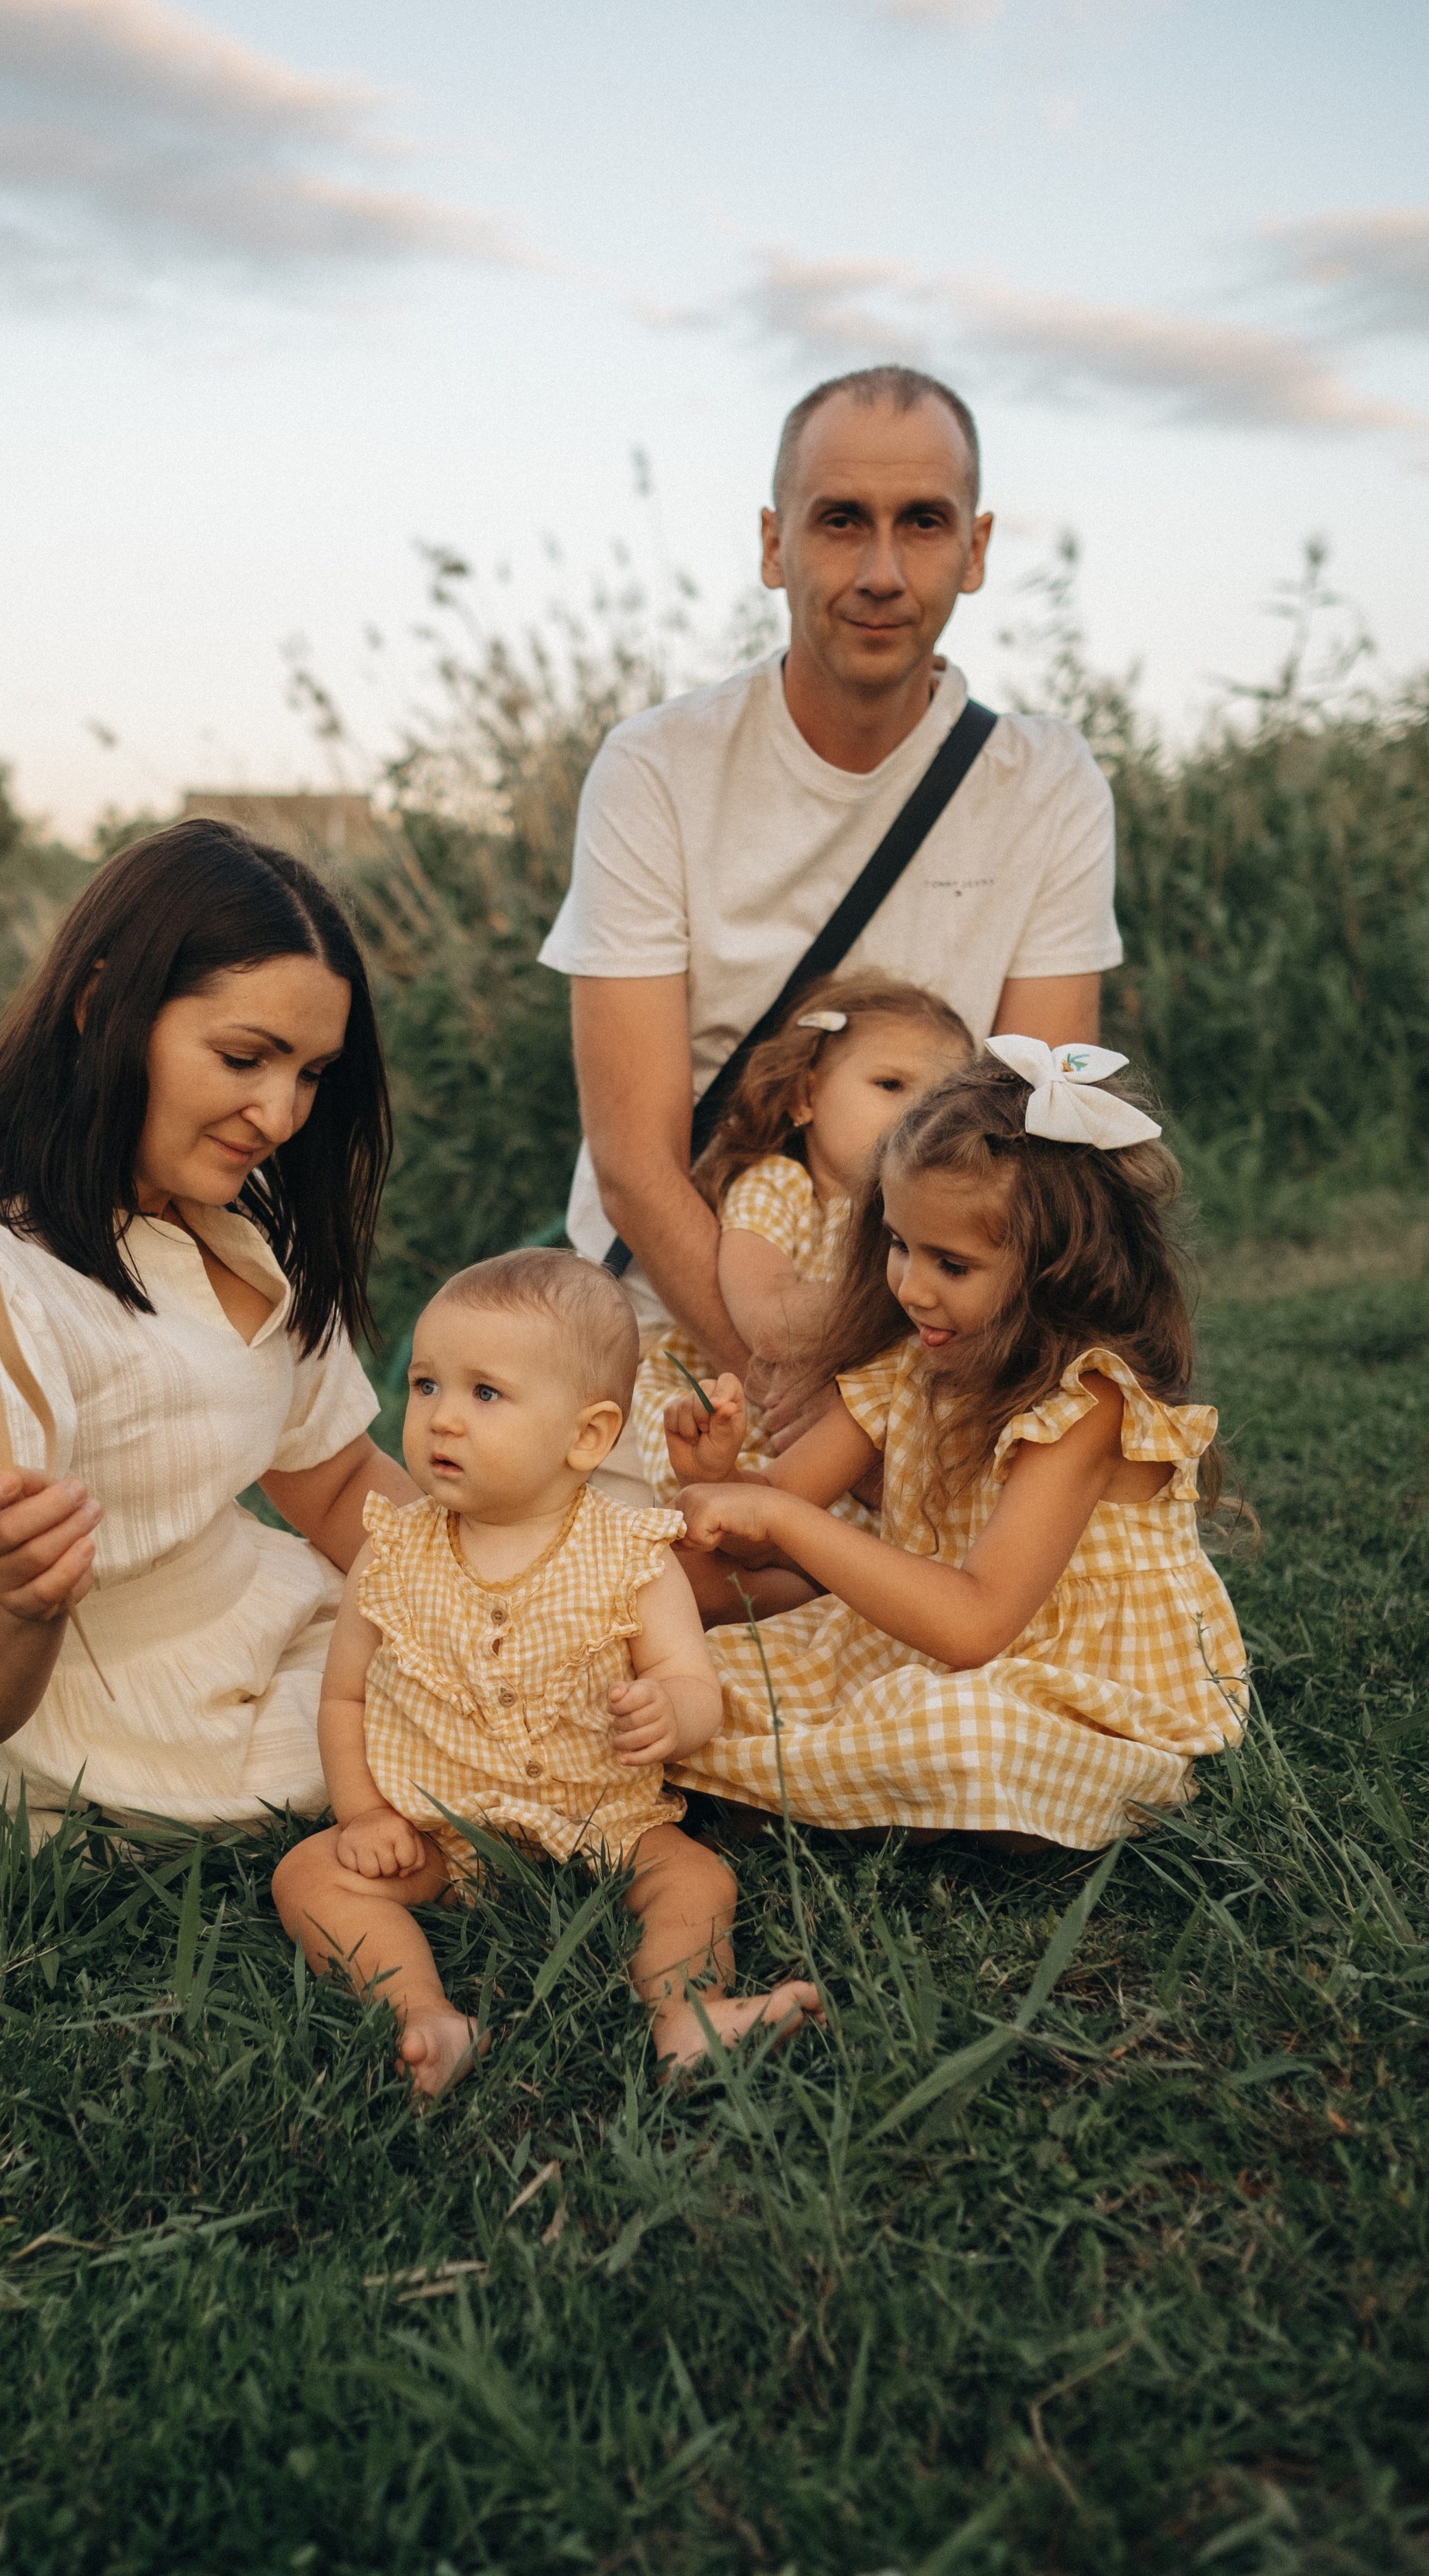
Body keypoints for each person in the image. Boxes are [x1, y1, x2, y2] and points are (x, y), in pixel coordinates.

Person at [539, 364, 1124, 1493]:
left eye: (924, 524)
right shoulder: (658, 768)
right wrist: (778, 1374)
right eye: (841, 522)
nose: (882, 573)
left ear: (977, 548)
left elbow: (1034, 1136)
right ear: (774, 544)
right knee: (623, 1626)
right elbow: (632, 1161)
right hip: (682, 1309)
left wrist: (879, 1395)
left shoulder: (1044, 783)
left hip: (943, 1321)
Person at [0, 821, 420, 1845]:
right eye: (245, 1056)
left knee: (555, 1678)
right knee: (468, 1740)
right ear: (99, 1004)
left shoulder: (224, 1212)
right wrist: (17, 1599)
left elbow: (337, 1481)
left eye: (310, 1072)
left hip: (252, 1623)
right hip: (64, 1736)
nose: (281, 1113)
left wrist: (511, 1590)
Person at [661, 1040, 1248, 1852]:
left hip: (1069, 1694)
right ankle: (810, 1783)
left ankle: (794, 1787)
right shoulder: (912, 1364)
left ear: (1058, 1267)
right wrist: (721, 1477)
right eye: (900, 1244)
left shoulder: (1087, 1404)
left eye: (953, 1263)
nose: (910, 1285)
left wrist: (783, 1522)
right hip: (912, 1652)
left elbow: (976, 1625)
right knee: (693, 1665)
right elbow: (777, 1504)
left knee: (961, 1735)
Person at [270, 1250, 823, 2094]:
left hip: (604, 1816)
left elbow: (690, 1678)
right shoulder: (391, 1553)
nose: (442, 1419)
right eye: (426, 1386)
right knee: (309, 1875)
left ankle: (688, 2017)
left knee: (695, 1878)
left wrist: (670, 1712)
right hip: (439, 1829)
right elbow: (343, 1694)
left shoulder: (630, 1554)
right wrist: (363, 1812)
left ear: (588, 1435)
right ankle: (424, 2014)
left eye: (483, 1393)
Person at [631, 970, 971, 1511]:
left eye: (943, 1100)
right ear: (804, 1095)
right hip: (756, 1438)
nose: (917, 1117)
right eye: (891, 1085)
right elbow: (767, 1320)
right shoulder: (779, 1187)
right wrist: (907, 1298)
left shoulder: (930, 1222)